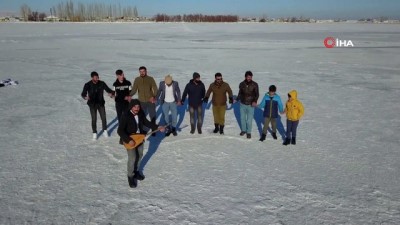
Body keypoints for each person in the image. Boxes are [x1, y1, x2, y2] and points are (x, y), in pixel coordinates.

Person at [117, 99, 165, 188]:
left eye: (138, 106)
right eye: (135, 106)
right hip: (130, 140)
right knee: (132, 158)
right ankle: (130, 176)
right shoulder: (126, 115)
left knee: (140, 155)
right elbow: (120, 130)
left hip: (139, 138)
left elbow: (147, 123)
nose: (137, 108)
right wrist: (128, 140)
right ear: (131, 107)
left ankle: (136, 171)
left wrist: (158, 127)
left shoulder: (140, 113)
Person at [81, 71, 114, 140]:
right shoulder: (87, 84)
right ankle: (94, 133)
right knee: (94, 119)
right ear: (92, 78)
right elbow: (83, 93)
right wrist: (85, 97)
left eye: (97, 77)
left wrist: (112, 93)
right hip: (92, 104)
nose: (97, 79)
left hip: (100, 103)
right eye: (95, 78)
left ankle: (105, 130)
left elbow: (108, 89)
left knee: (103, 117)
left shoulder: (102, 83)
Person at [130, 66, 158, 135]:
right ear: (139, 72)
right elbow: (134, 89)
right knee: (141, 116)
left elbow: (155, 88)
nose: (142, 73)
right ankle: (142, 130)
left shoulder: (150, 79)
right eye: (141, 71)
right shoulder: (137, 79)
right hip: (141, 101)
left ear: (146, 71)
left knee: (152, 115)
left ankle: (153, 129)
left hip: (150, 101)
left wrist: (154, 97)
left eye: (143, 71)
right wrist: (129, 95)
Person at [236, 71, 259, 139]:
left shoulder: (255, 84)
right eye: (248, 77)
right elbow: (240, 93)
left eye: (250, 77)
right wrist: (236, 99)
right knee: (242, 118)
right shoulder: (241, 84)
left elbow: (257, 94)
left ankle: (248, 132)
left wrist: (254, 101)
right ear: (245, 77)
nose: (249, 78)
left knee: (249, 120)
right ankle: (243, 130)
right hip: (242, 104)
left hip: (250, 105)